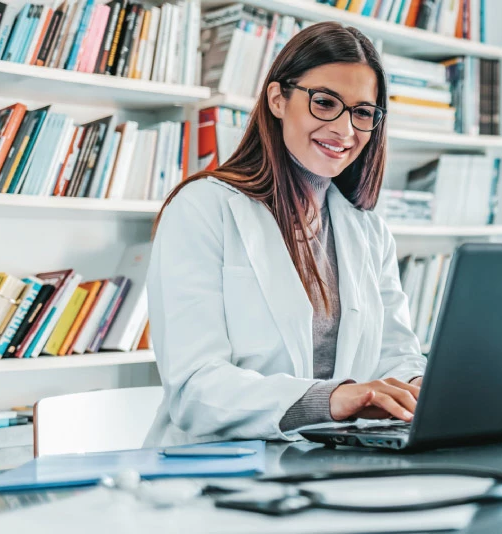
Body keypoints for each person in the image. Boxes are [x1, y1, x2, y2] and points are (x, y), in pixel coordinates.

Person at [144, 21, 426, 446]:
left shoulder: (368, 230)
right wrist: (331, 399)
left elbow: (396, 355)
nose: (345, 130)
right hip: (219, 468)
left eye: (363, 113)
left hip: (333, 461)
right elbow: (196, 388)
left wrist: (420, 387)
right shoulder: (202, 208)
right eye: (325, 103)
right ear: (278, 99)